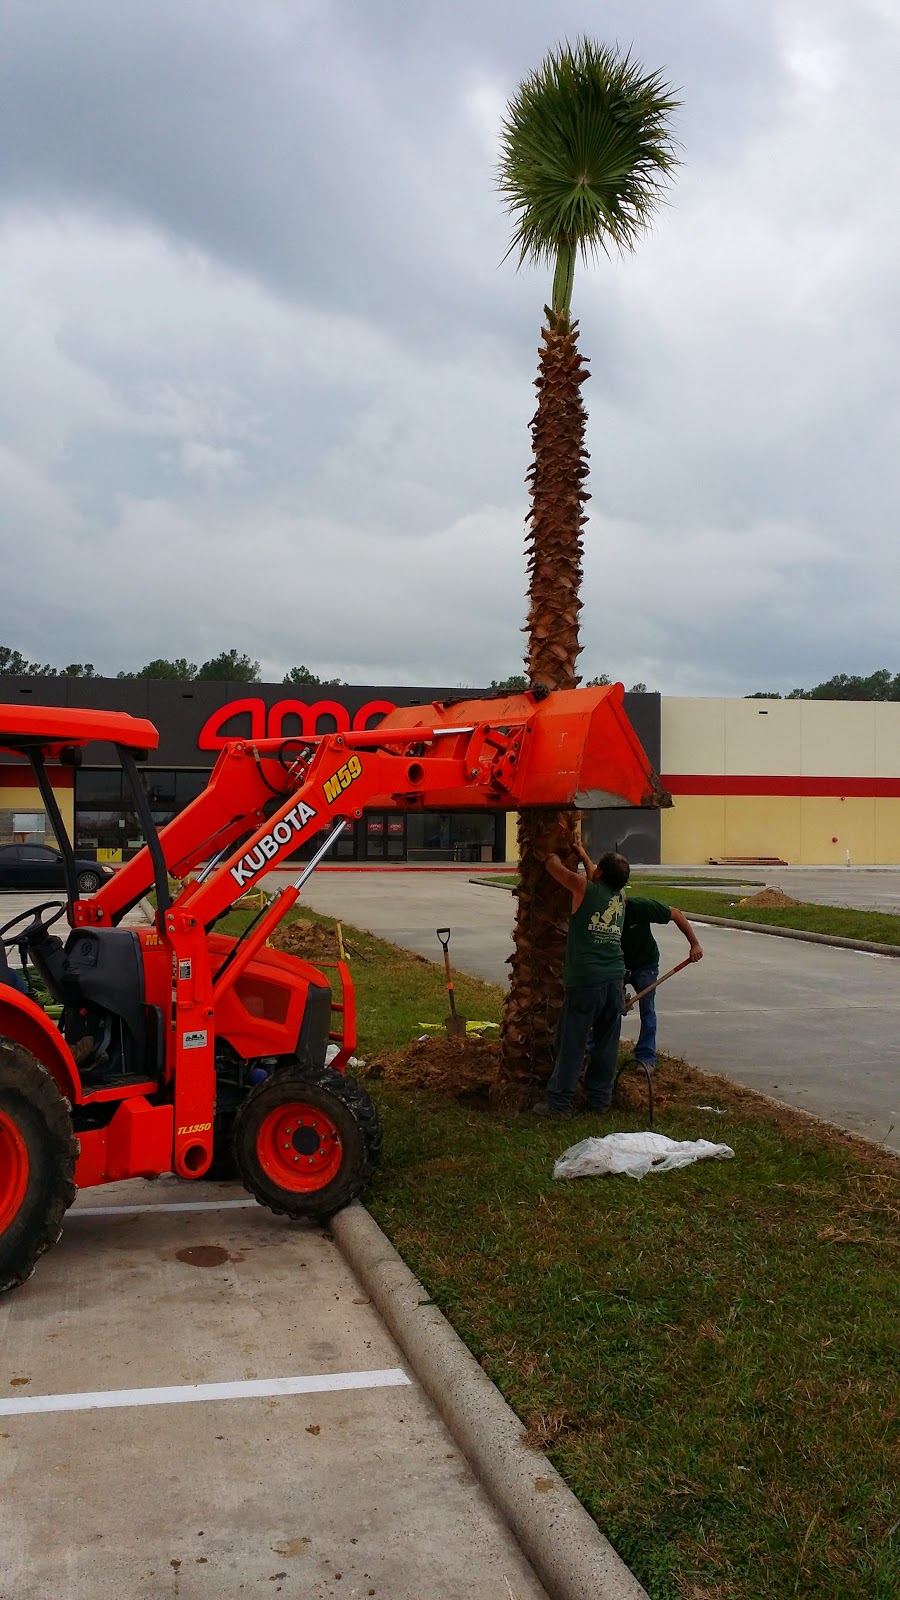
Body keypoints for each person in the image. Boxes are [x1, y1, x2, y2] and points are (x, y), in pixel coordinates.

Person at [575, 837, 703, 1071]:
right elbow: (595, 878)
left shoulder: (638, 906)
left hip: (645, 963)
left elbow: (676, 914)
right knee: (608, 1007)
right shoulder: (602, 904)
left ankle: (646, 1057)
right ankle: (593, 1048)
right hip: (617, 966)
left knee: (648, 1009)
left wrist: (694, 944)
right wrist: (583, 855)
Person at [532, 846, 632, 1118]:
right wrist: (584, 854)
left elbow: (554, 868)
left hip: (586, 981)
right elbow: (595, 877)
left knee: (572, 1041)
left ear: (600, 873)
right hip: (614, 981)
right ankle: (600, 1100)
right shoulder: (619, 897)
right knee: (606, 1043)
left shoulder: (582, 888)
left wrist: (553, 853)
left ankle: (559, 1103)